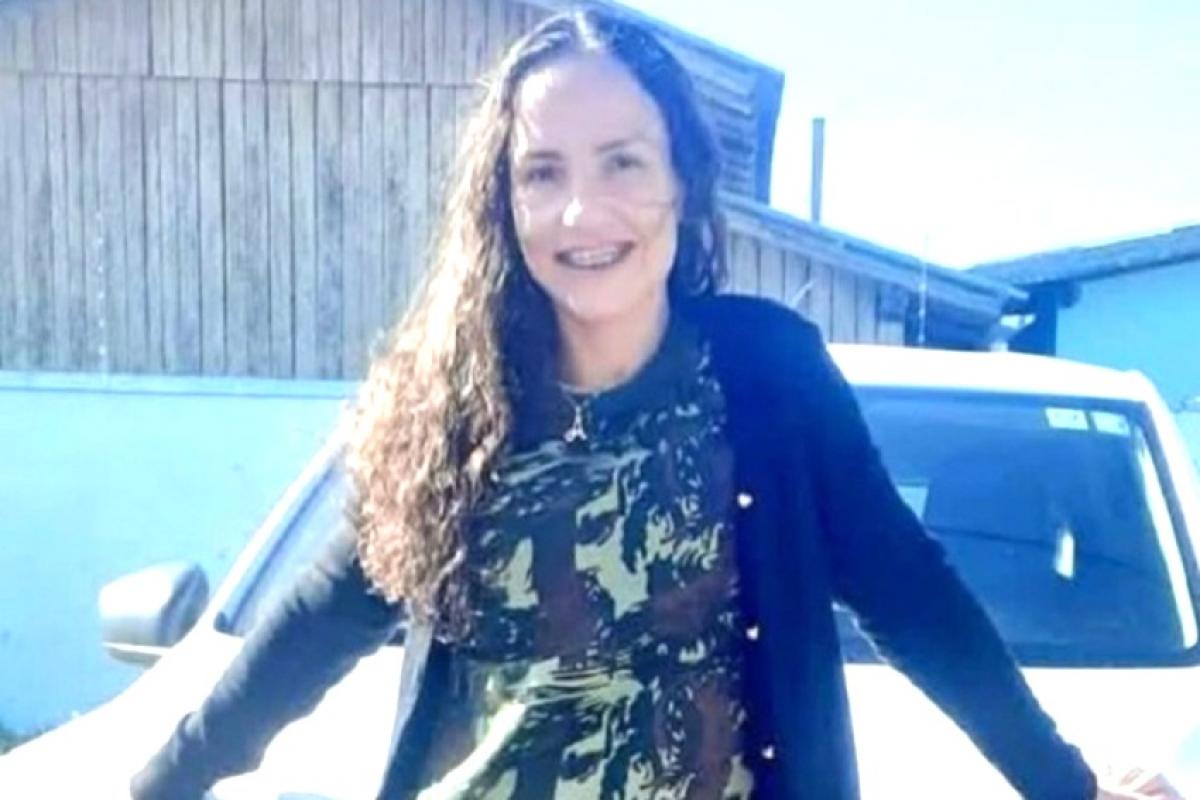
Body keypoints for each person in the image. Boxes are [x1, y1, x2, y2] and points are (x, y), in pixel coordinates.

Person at [131, 9, 1175, 800]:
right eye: (543, 172)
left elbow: (912, 594)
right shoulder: (451, 403)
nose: (582, 211)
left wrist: (1069, 786)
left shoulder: (768, 378)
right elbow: (315, 624)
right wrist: (158, 784)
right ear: (504, 202)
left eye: (622, 162)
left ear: (681, 177)